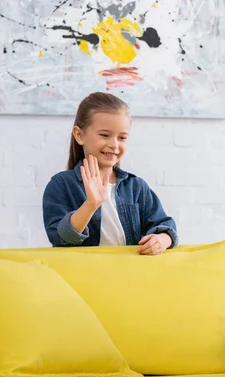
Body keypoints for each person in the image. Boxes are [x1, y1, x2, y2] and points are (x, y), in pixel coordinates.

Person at [42, 92, 177, 255]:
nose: (114, 145)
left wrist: (161, 240)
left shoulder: (137, 187)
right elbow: (59, 237)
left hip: (129, 274)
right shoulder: (61, 185)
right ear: (79, 135)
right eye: (105, 135)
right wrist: (91, 204)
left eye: (122, 137)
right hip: (82, 276)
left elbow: (164, 226)